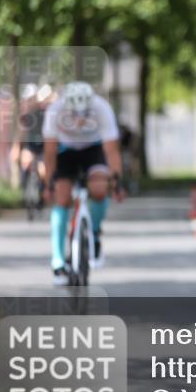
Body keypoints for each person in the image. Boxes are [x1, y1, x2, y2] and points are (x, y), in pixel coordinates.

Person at [42, 82, 125, 284]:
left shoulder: (102, 108)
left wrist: (117, 183)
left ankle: (94, 232)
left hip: (93, 148)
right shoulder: (55, 111)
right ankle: (58, 262)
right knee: (61, 197)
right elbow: (50, 152)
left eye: (84, 115)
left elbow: (111, 151)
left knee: (99, 188)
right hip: (65, 150)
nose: (79, 121)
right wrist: (46, 185)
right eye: (74, 116)